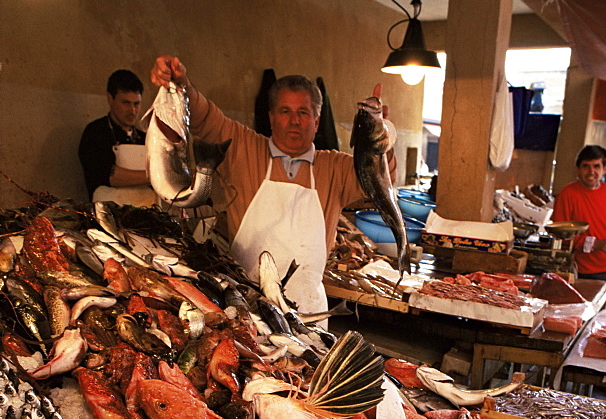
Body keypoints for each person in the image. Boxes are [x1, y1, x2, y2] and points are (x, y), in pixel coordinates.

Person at [150, 54, 396, 315]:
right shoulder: (244, 150)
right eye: (285, 111)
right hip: (247, 307)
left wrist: (380, 138)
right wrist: (180, 85)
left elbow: (382, 179)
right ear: (271, 117)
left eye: (303, 112)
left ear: (317, 119)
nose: (294, 121)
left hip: (309, 310)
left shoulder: (336, 167)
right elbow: (207, 120)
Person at [552, 144, 606, 308]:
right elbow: (561, 236)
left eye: (596, 166)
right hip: (588, 269)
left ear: (604, 169)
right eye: (586, 166)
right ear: (577, 169)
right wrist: (594, 244)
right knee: (590, 317)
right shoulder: (567, 194)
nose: (591, 172)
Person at [78, 69, 155, 206]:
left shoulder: (146, 138)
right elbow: (111, 176)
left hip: (148, 212)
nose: (132, 111)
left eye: (136, 104)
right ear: (110, 98)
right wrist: (156, 177)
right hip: (109, 216)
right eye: (126, 103)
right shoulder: (96, 132)